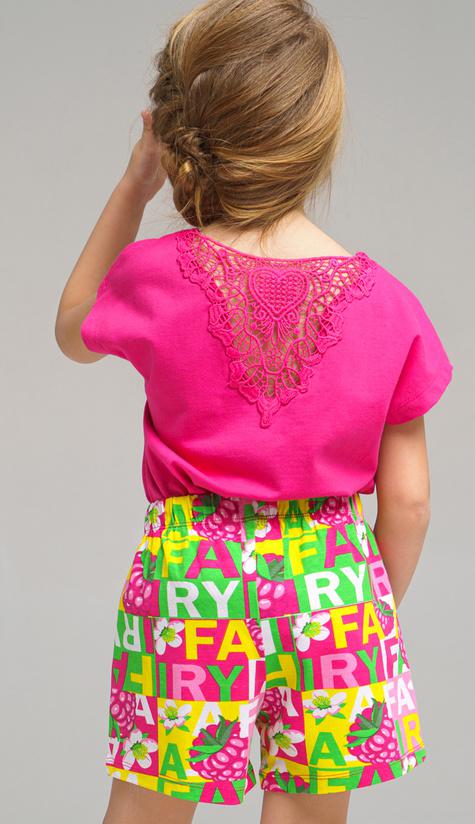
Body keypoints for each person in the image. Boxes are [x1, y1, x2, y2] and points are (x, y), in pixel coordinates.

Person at [54, 2, 454, 822]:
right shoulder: (392, 306)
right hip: (333, 584)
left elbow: (74, 330)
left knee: (150, 806)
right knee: (308, 810)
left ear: (182, 133)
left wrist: (135, 183)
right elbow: (409, 502)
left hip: (193, 576)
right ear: (316, 141)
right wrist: (362, 608)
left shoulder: (156, 275)